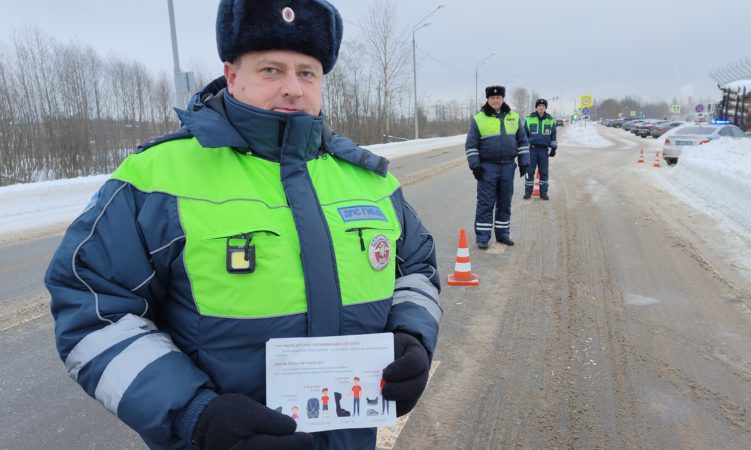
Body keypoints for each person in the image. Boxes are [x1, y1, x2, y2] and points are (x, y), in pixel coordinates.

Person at [43, 1, 442, 449]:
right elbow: (92, 311)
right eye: (271, 70)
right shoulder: (156, 178)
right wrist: (194, 413)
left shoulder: (371, 181)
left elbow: (417, 269)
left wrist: (413, 336)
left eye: (307, 73)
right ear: (232, 76)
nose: (293, 89)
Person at [465, 86, 529, 250]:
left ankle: (502, 234)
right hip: (487, 167)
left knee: (505, 202)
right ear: (488, 99)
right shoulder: (479, 119)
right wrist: (475, 166)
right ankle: (483, 237)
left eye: (498, 97)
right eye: (492, 98)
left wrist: (524, 162)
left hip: (508, 166)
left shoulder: (514, 117)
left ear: (503, 98)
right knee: (485, 203)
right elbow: (471, 145)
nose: (495, 100)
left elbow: (522, 141)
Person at [523, 99, 557, 200]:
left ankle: (543, 193)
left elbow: (553, 135)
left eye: (543, 106)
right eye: (539, 106)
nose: (541, 107)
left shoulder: (550, 120)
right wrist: (523, 149)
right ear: (536, 107)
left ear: (545, 108)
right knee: (529, 172)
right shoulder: (529, 119)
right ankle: (528, 192)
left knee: (544, 173)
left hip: (544, 150)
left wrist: (553, 148)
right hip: (532, 150)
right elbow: (524, 135)